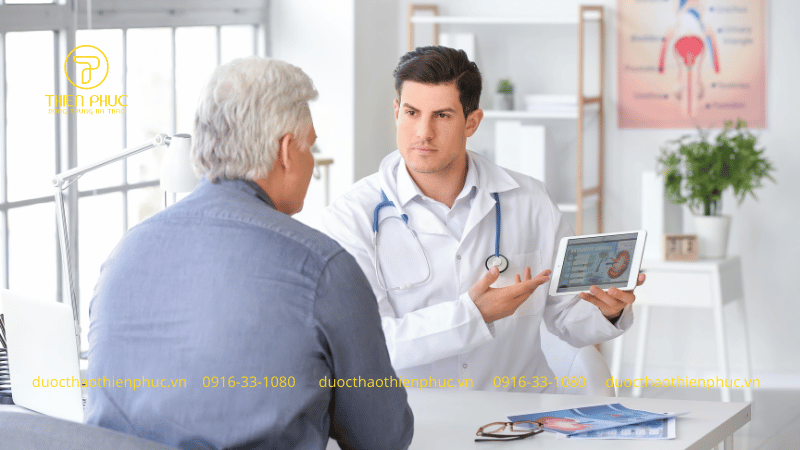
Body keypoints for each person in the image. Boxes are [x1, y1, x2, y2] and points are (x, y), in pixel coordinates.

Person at [85, 57, 413, 450]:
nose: (312, 162)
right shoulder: (323, 268)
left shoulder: (124, 252)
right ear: (286, 151)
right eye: (310, 146)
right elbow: (381, 437)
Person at [321, 46, 645, 392]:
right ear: (397, 111)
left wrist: (607, 310)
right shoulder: (350, 217)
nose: (423, 132)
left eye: (442, 115)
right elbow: (368, 343)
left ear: (472, 122)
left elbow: (567, 318)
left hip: (520, 413)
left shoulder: (531, 201)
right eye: (412, 113)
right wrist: (473, 315)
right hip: (414, 418)